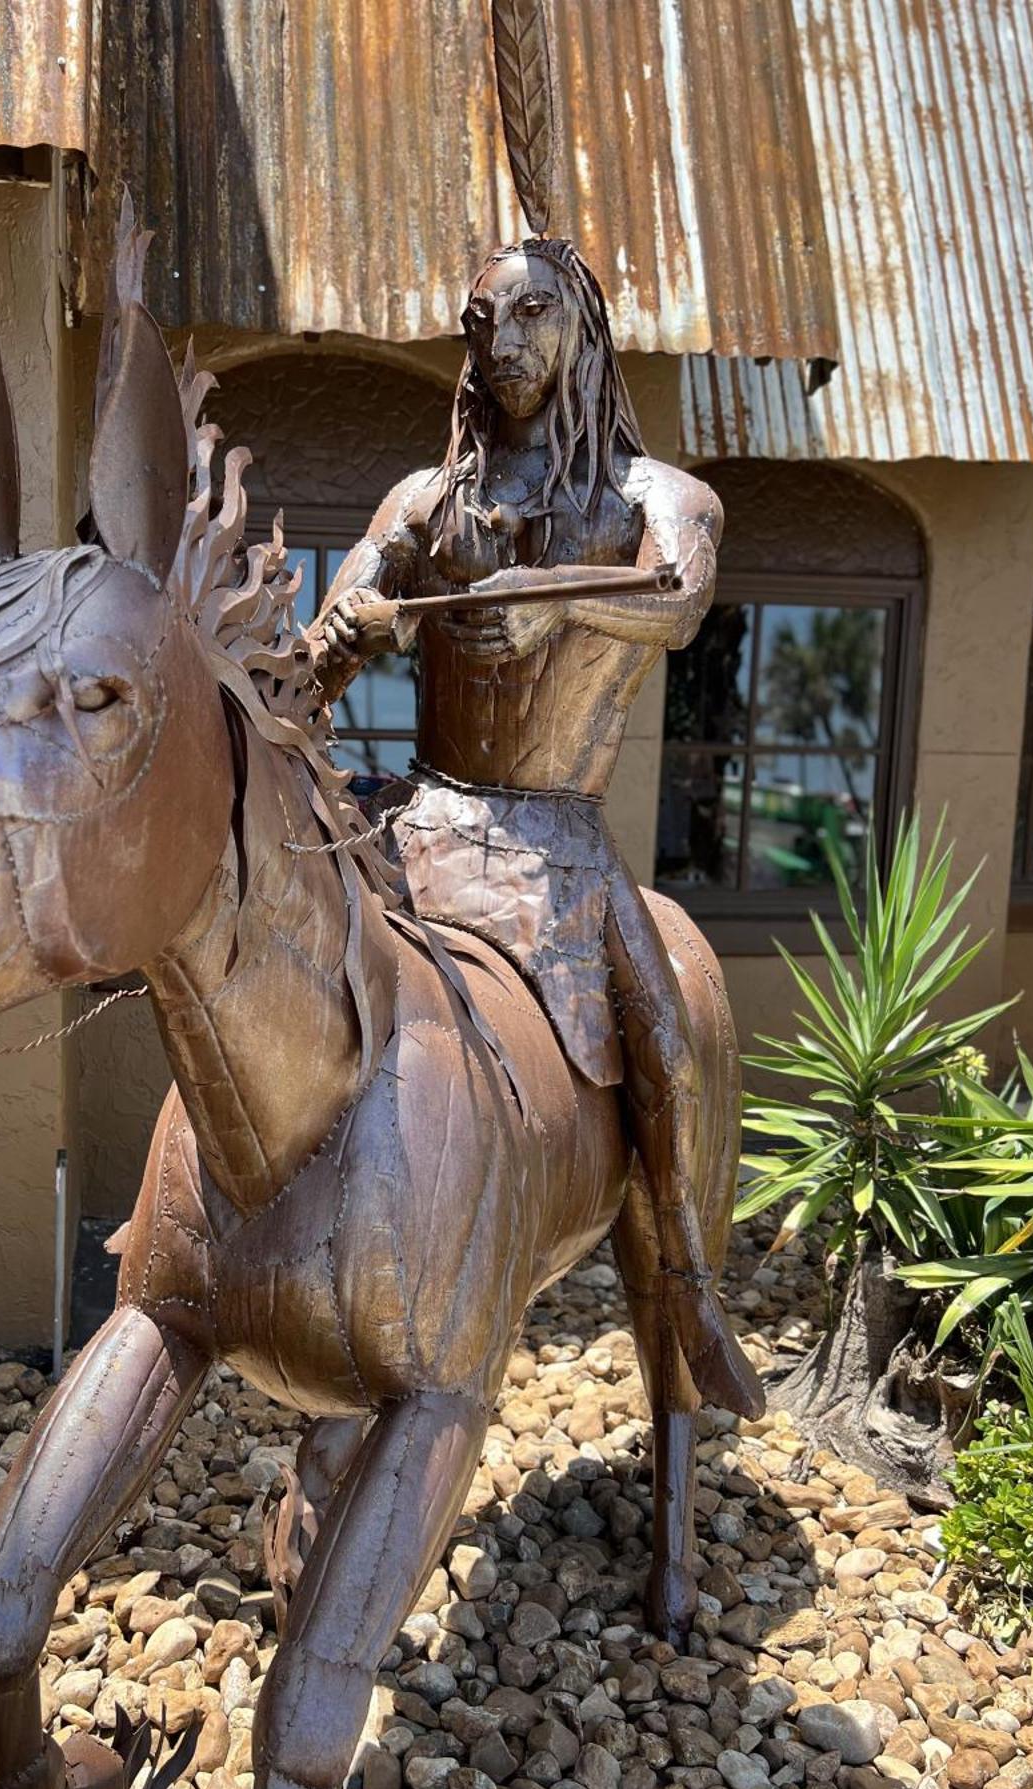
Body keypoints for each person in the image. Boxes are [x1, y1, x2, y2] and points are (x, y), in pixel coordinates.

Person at [308, 234, 761, 1417]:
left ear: (584, 332)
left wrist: (546, 597)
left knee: (663, 1036)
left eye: (534, 317)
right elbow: (315, 661)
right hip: (420, 812)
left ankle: (689, 1281)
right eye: (483, 323)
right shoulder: (427, 497)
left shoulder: (655, 497)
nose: (504, 346)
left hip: (554, 836)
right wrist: (347, 624)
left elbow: (677, 597)